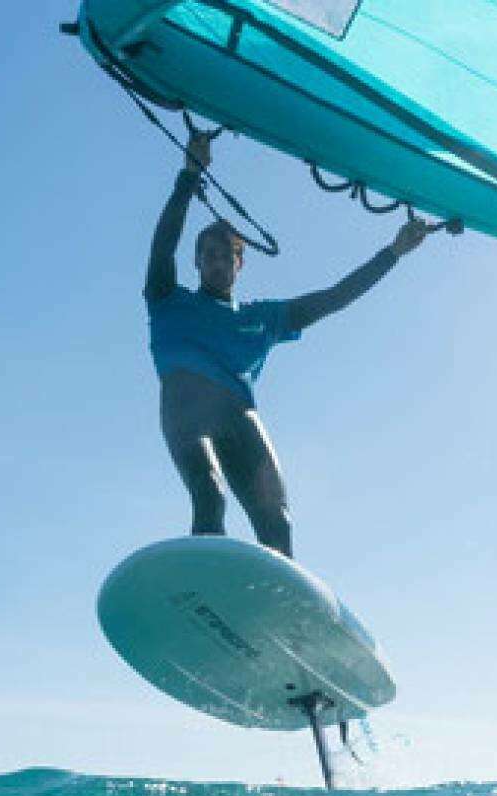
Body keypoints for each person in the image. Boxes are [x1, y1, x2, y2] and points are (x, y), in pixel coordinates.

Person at [144, 131, 430, 559]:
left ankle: (275, 611)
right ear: (197, 262)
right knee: (209, 496)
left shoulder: (261, 319)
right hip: (185, 406)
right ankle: (209, 589)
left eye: (226, 255)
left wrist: (393, 253)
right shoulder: (169, 300)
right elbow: (163, 241)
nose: (218, 262)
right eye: (209, 255)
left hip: (237, 412)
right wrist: (189, 176)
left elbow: (335, 298)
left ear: (240, 263)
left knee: (276, 519)